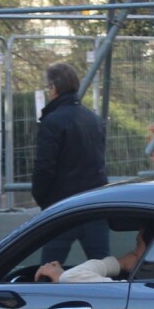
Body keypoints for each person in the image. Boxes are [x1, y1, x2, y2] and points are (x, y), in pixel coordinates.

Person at [32, 62, 110, 262]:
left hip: (63, 207)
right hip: (94, 205)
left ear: (54, 89)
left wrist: (42, 199)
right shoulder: (93, 119)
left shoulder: (52, 122)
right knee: (102, 267)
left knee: (49, 268)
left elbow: (44, 168)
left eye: (48, 87)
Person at [34, 230, 147, 284]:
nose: (133, 252)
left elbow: (72, 276)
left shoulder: (142, 288)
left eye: (138, 245)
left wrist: (121, 263)